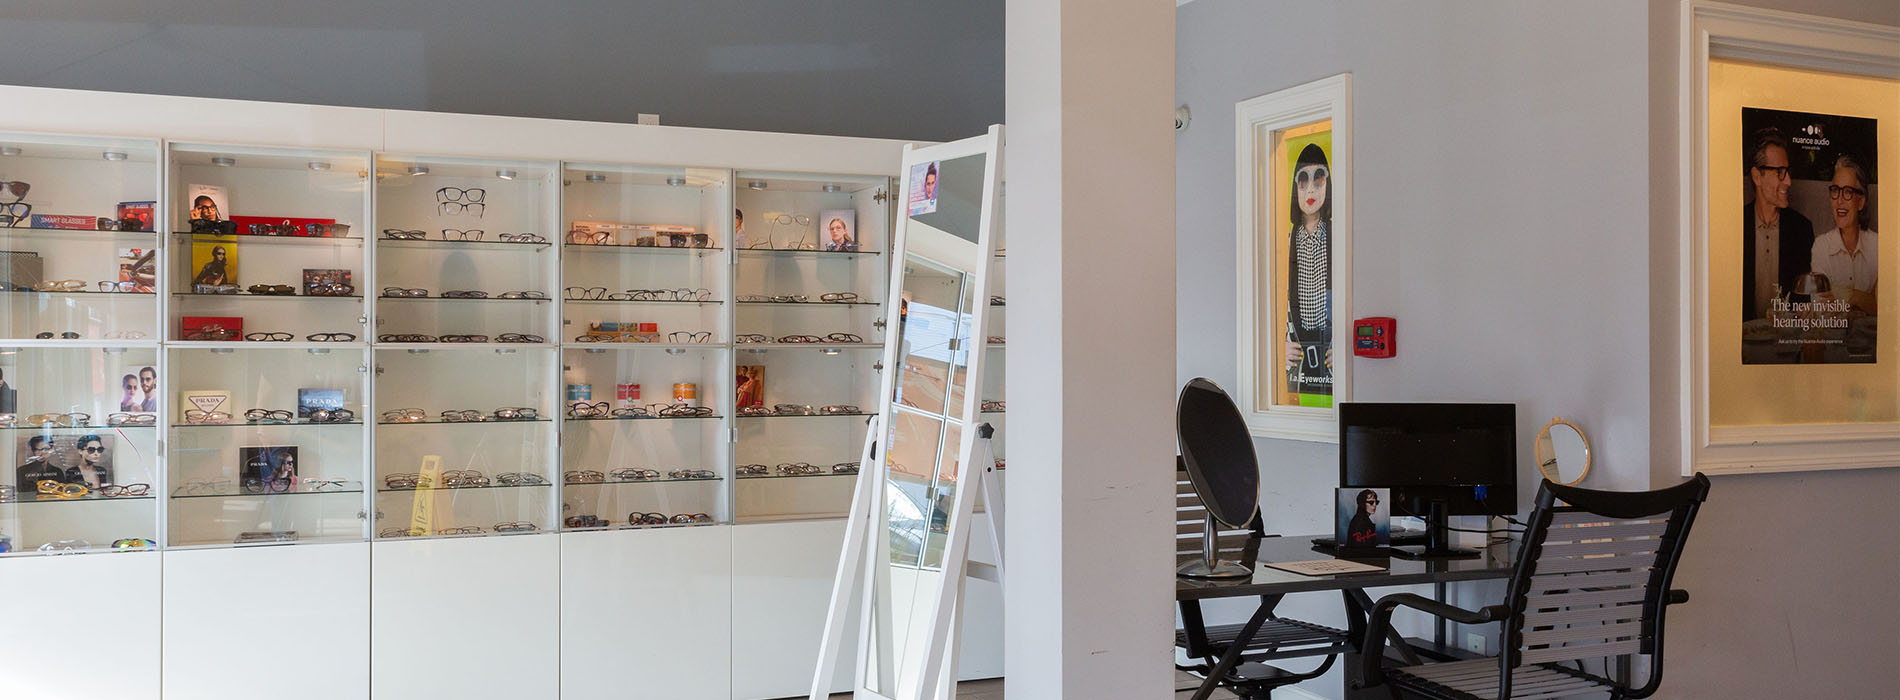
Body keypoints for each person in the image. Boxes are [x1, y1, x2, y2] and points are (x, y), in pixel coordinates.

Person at [1742, 127, 1815, 321]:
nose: (1788, 181)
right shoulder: (1736, 226)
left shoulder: (1801, 229)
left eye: (1788, 171)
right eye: (1780, 172)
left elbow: (1804, 301)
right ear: (1757, 176)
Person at [1284, 143, 1332, 396]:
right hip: (1298, 353)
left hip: (1330, 350)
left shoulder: (1337, 238)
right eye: (1303, 180)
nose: (1311, 188)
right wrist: (1280, 344)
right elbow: (1276, 300)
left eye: (1319, 178)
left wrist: (1340, 345)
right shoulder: (1287, 240)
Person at [1810, 153, 1877, 315]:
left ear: (1860, 202)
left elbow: (1888, 308)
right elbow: (1821, 309)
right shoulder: (1821, 246)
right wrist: (1863, 298)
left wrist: (1847, 296)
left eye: (1847, 192)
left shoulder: (1878, 245)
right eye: (1835, 190)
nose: (1839, 200)